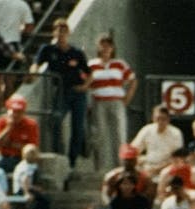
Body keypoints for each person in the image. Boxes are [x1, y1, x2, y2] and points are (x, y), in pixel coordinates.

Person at [31, 18, 90, 169]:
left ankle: (72, 161)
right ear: (54, 32)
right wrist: (33, 73)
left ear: (68, 33)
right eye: (58, 30)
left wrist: (85, 86)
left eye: (64, 31)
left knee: (78, 127)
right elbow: (36, 63)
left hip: (77, 93)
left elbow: (89, 73)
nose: (61, 34)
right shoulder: (48, 49)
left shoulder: (76, 52)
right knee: (56, 121)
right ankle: (59, 155)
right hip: (61, 92)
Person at [88, 33, 137, 172]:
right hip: (99, 103)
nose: (105, 48)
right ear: (98, 47)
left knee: (119, 135)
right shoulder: (92, 64)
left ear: (112, 48)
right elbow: (86, 83)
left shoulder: (120, 64)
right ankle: (99, 169)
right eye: (102, 45)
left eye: (108, 45)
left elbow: (133, 80)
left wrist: (127, 98)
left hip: (117, 102)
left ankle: (121, 168)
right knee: (99, 136)